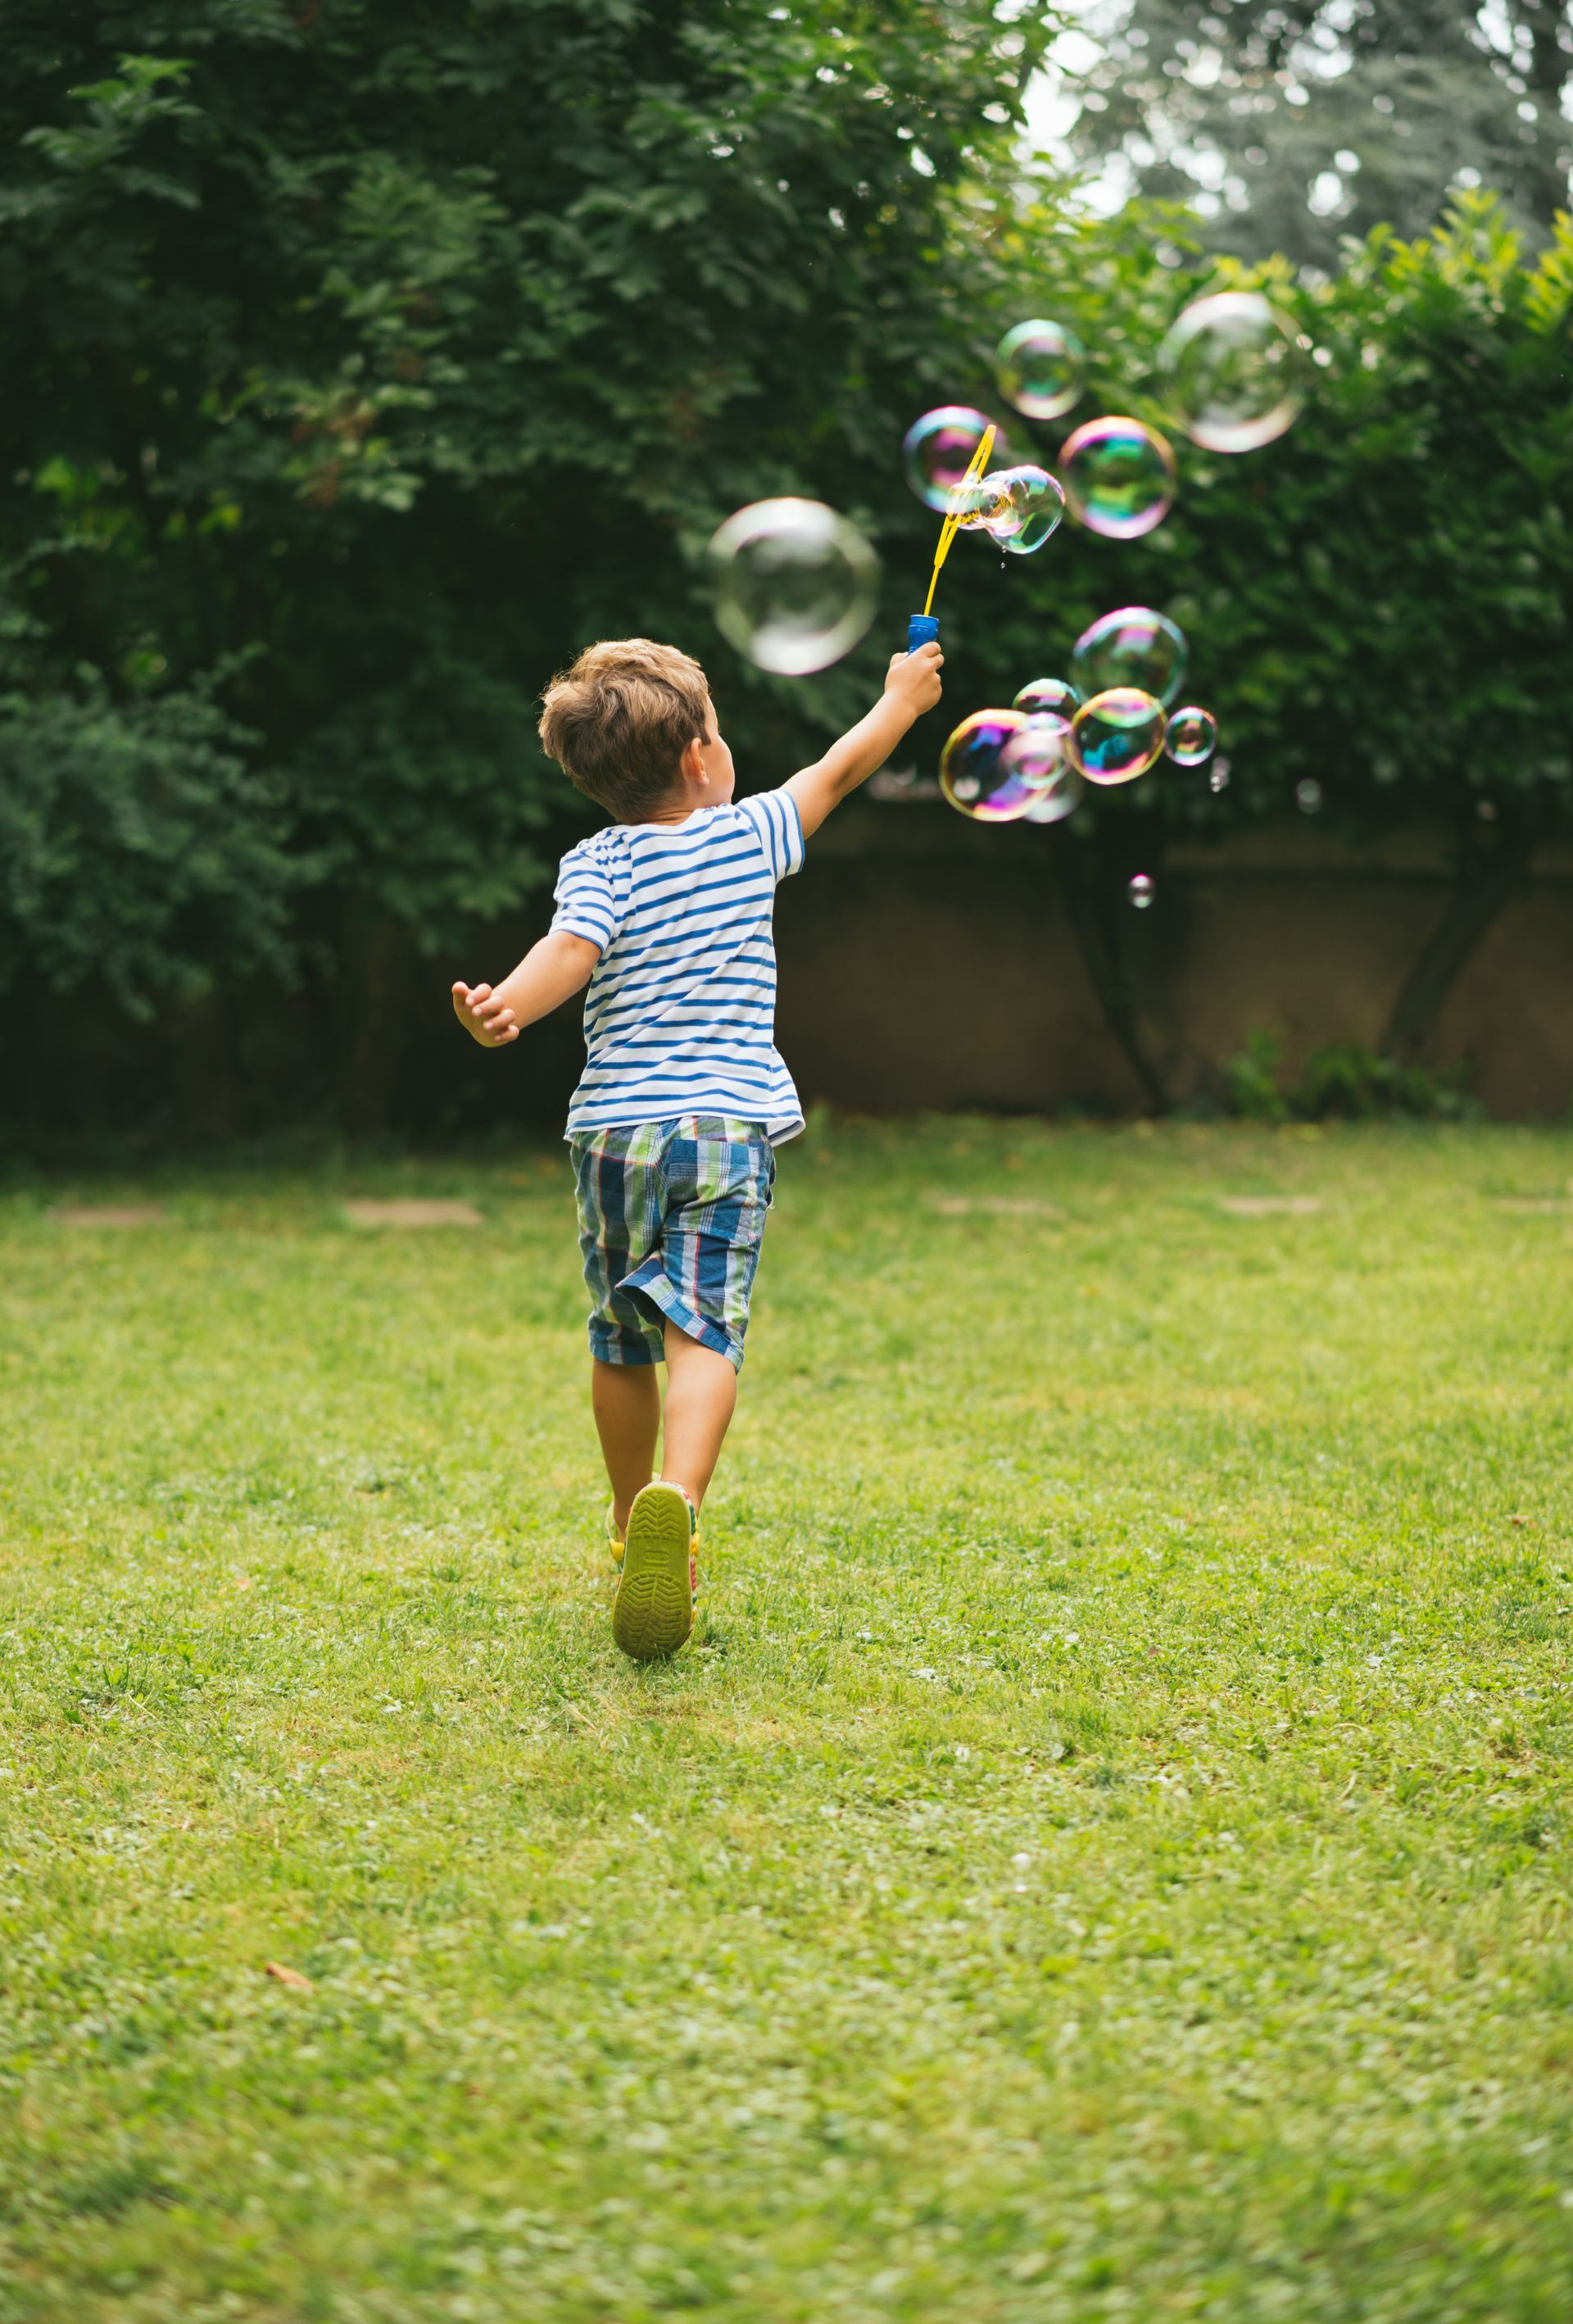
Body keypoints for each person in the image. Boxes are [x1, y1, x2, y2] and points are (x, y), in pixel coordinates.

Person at [451, 633, 944, 1659]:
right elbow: (842, 768)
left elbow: (567, 954)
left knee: (619, 1336)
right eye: (716, 731)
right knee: (705, 1332)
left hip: (614, 1136)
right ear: (699, 762)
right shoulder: (747, 835)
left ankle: (635, 1519)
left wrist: (507, 1010)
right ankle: (679, 1502)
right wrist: (900, 698)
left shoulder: (597, 860)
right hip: (723, 1125)